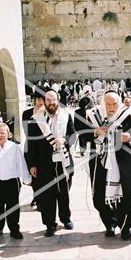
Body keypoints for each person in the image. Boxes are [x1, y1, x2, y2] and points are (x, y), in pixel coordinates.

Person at [87, 91, 131, 240]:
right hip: (100, 161)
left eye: (114, 104)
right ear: (103, 104)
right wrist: (96, 131)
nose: (112, 107)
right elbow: (83, 135)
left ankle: (125, 227)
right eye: (108, 104)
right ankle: (109, 224)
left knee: (126, 194)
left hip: (123, 160)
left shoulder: (127, 114)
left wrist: (128, 136)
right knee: (101, 194)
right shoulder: (93, 116)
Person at [27, 89, 76, 237]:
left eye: (53, 100)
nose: (51, 103)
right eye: (48, 100)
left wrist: (65, 140)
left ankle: (65, 218)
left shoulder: (66, 115)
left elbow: (73, 135)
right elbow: (31, 143)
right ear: (44, 101)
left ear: (58, 99)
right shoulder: (36, 119)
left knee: (64, 192)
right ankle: (49, 224)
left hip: (63, 160)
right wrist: (32, 164)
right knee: (47, 195)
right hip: (44, 162)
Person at [23, 87, 45, 208]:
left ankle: (42, 198)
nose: (40, 101)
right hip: (31, 147)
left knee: (42, 174)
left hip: (44, 148)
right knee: (33, 175)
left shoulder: (48, 113)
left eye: (42, 99)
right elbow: (27, 132)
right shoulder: (27, 114)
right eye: (38, 99)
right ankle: (36, 196)